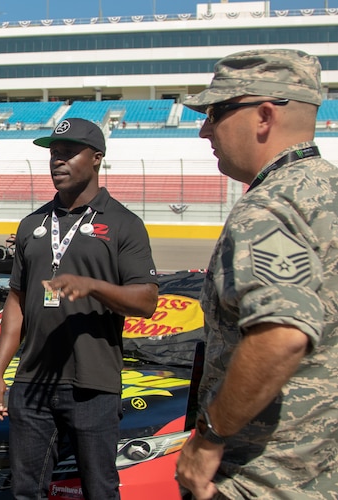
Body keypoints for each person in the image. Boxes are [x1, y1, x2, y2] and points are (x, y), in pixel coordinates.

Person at [175, 49, 338, 499]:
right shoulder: (327, 188)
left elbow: (282, 334)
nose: (205, 128)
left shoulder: (268, 207)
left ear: (264, 116)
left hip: (262, 478)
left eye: (216, 112)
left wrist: (209, 438)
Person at [0, 117, 158, 500]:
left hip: (92, 385)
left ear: (96, 158)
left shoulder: (123, 223)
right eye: (53, 153)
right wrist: (0, 374)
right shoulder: (32, 224)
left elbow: (147, 300)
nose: (57, 161)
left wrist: (93, 286)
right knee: (25, 491)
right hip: (31, 383)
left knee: (99, 491)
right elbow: (16, 301)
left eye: (68, 153)